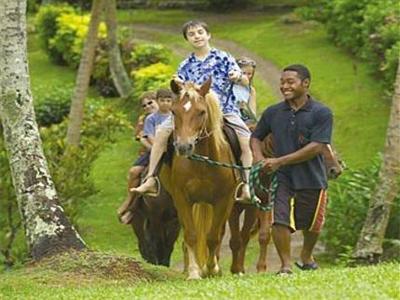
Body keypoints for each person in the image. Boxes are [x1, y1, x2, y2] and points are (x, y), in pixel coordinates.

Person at [132, 20, 254, 203]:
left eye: (200, 32)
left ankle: (246, 185)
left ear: (208, 35)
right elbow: (179, 88)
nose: (197, 36)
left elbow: (245, 82)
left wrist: (239, 77)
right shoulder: (185, 64)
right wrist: (178, 83)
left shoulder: (224, 57)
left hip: (224, 110)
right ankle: (151, 179)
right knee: (161, 134)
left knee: (246, 140)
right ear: (187, 39)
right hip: (192, 112)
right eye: (192, 34)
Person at [250, 64, 333, 275]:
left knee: (313, 224)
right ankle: (285, 266)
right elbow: (256, 137)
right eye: (282, 82)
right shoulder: (273, 112)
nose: (284, 86)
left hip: (312, 177)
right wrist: (259, 159)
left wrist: (280, 160)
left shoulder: (321, 112)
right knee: (280, 219)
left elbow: (316, 146)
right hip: (283, 177)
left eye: (290, 82)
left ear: (305, 84)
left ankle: (306, 255)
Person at [117, 89, 173, 222]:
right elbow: (143, 138)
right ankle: (131, 204)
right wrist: (156, 149)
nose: (148, 106)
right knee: (135, 172)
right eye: (144, 105)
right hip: (150, 151)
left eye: (150, 103)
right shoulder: (147, 119)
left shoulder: (173, 115)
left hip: (169, 150)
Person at [233, 56, 257, 125]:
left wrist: (245, 108)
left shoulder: (251, 90)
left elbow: (252, 112)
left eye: (249, 74)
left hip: (243, 118)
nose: (246, 76)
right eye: (243, 73)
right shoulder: (230, 86)